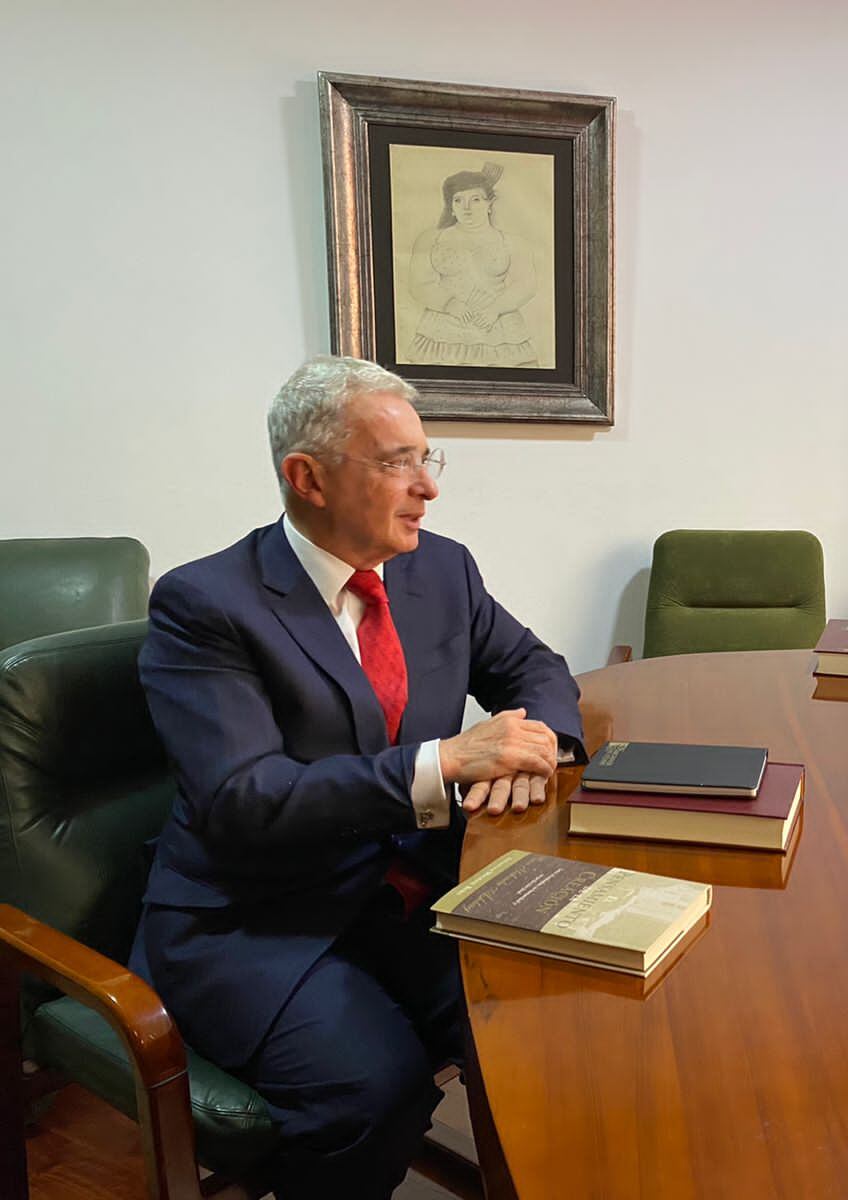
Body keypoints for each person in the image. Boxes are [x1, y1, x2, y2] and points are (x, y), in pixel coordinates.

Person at [130, 356, 584, 1198]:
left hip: (409, 888)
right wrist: (446, 761)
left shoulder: (439, 570)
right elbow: (243, 802)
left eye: (427, 458)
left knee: (554, 1021)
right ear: (307, 477)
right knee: (371, 1095)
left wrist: (539, 747)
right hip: (259, 918)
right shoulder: (206, 606)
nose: (428, 487)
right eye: (397, 462)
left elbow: (534, 668)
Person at [406, 161, 540, 367]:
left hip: (500, 329)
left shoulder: (513, 243)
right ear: (451, 207)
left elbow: (526, 284)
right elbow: (419, 284)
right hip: (444, 329)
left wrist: (495, 309)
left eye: (476, 200)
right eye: (458, 201)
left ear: (490, 204)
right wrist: (450, 305)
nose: (466, 208)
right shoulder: (430, 240)